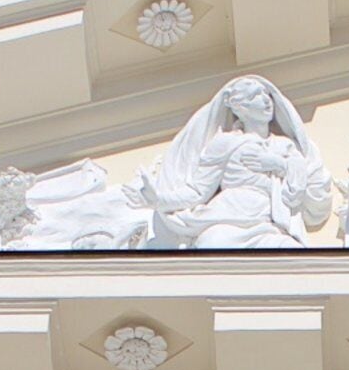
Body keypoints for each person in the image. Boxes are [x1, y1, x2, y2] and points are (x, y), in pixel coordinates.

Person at [136, 77, 335, 247]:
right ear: (240, 108)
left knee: (293, 257)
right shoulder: (224, 143)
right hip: (226, 220)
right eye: (256, 96)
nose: (266, 101)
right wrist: (160, 200)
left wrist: (278, 164)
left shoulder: (285, 147)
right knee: (211, 247)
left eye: (267, 95)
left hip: (268, 225)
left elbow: (295, 192)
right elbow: (198, 191)